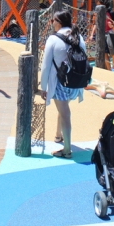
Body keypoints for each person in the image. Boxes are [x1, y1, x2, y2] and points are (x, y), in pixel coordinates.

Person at [39, 10, 86, 159]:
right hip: (76, 82)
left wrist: (43, 87)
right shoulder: (78, 36)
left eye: (53, 20)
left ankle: (66, 150)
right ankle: (58, 135)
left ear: (58, 22)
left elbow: (45, 66)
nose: (52, 23)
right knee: (63, 108)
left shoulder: (53, 39)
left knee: (65, 113)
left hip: (60, 83)